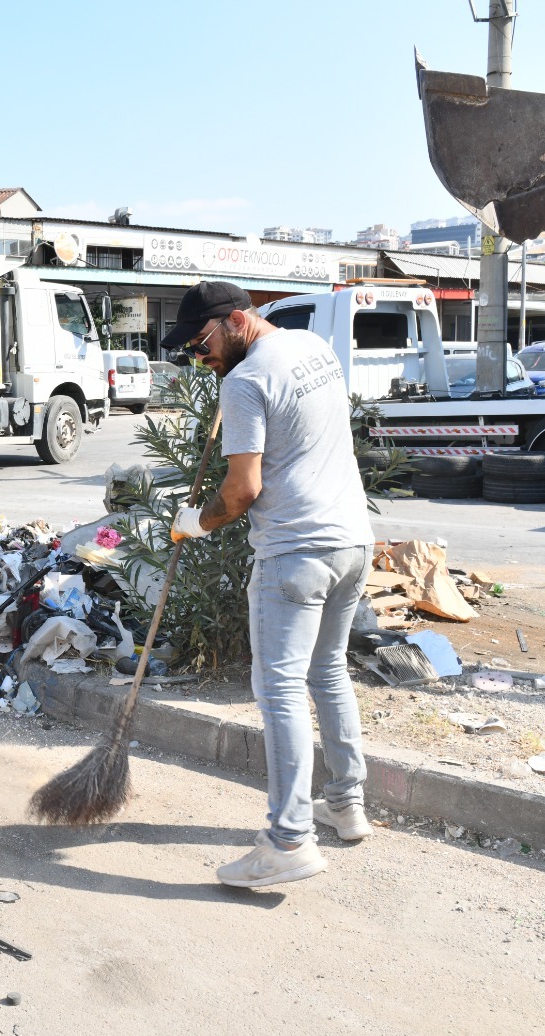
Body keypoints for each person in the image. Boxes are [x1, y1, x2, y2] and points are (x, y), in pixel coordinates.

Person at [162, 281, 377, 888]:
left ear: (236, 320)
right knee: (327, 671)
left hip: (295, 553)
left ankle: (288, 842)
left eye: (202, 343)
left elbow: (241, 492)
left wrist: (196, 523)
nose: (198, 358)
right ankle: (346, 802)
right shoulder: (313, 348)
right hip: (352, 543)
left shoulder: (244, 381)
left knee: (280, 690)